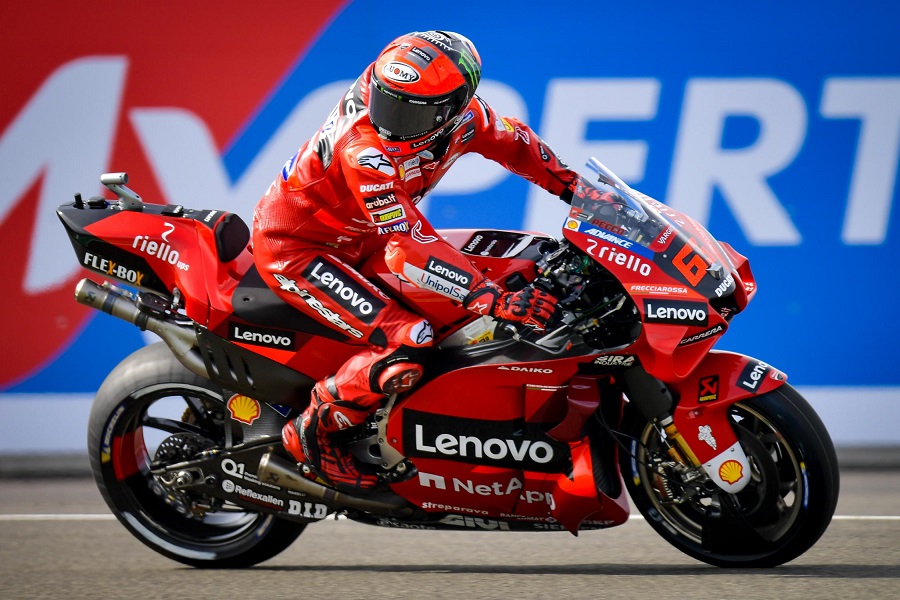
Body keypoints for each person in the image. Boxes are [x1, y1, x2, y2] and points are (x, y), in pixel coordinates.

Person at [251, 30, 580, 492]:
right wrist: (489, 297)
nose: (392, 121)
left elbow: (516, 142)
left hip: (364, 237)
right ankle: (312, 431)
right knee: (410, 339)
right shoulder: (365, 152)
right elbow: (408, 245)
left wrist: (576, 189)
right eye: (388, 103)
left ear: (456, 107)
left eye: (413, 112)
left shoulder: (469, 118)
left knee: (483, 293)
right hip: (299, 250)